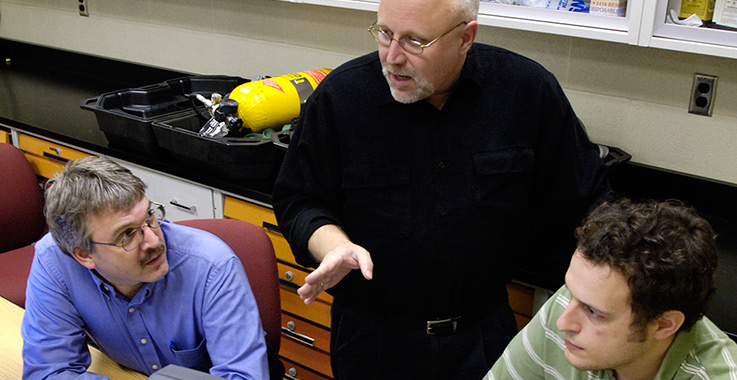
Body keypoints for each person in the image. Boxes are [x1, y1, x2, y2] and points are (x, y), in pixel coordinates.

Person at [272, 0, 611, 378]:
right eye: (385, 33)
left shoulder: (527, 92)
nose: (393, 57)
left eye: (415, 41)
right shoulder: (342, 97)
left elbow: (591, 205)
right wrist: (333, 245)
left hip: (483, 337)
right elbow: (298, 199)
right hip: (374, 341)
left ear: (466, 37)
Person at [21, 156, 269, 380]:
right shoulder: (55, 261)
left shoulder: (212, 266)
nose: (153, 241)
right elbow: (49, 372)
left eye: (149, 216)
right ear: (84, 254)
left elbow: (243, 376)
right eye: (127, 234)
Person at [485, 198, 737, 380]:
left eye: (594, 313)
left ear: (663, 325)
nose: (563, 323)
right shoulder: (569, 305)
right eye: (570, 292)